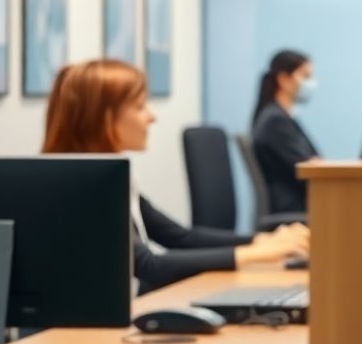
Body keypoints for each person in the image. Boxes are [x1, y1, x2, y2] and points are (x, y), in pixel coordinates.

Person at [43, 59, 309, 294]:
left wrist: (263, 240)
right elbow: (149, 266)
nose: (151, 117)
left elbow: (179, 237)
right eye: (139, 107)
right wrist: (254, 253)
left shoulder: (110, 175)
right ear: (103, 119)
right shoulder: (82, 184)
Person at [252, 50, 320, 214]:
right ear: (283, 79)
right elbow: (305, 169)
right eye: (305, 76)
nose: (310, 83)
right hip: (292, 208)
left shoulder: (282, 117)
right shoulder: (276, 121)